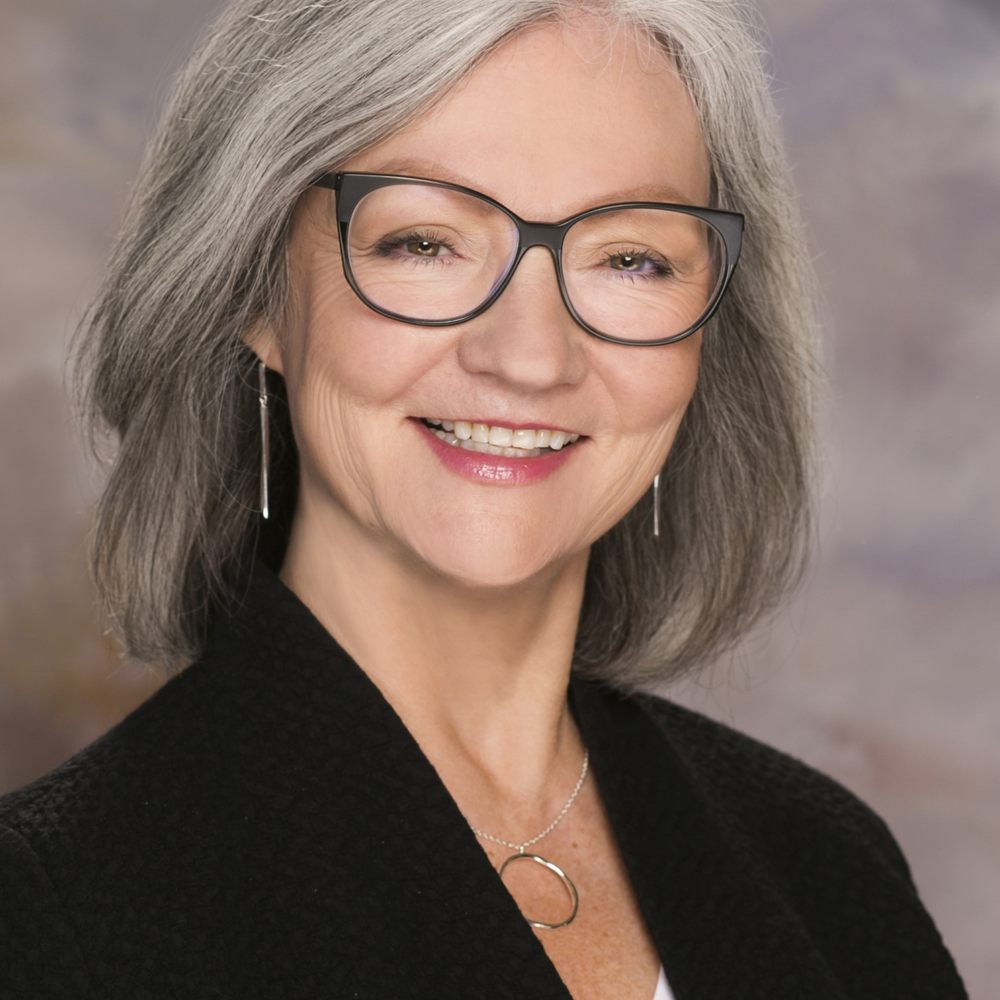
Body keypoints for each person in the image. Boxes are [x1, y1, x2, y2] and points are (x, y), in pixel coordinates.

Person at [0, 1, 968, 998]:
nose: (530, 356)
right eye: (425, 242)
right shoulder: (47, 917)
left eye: (630, 258)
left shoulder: (826, 867)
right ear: (253, 288)